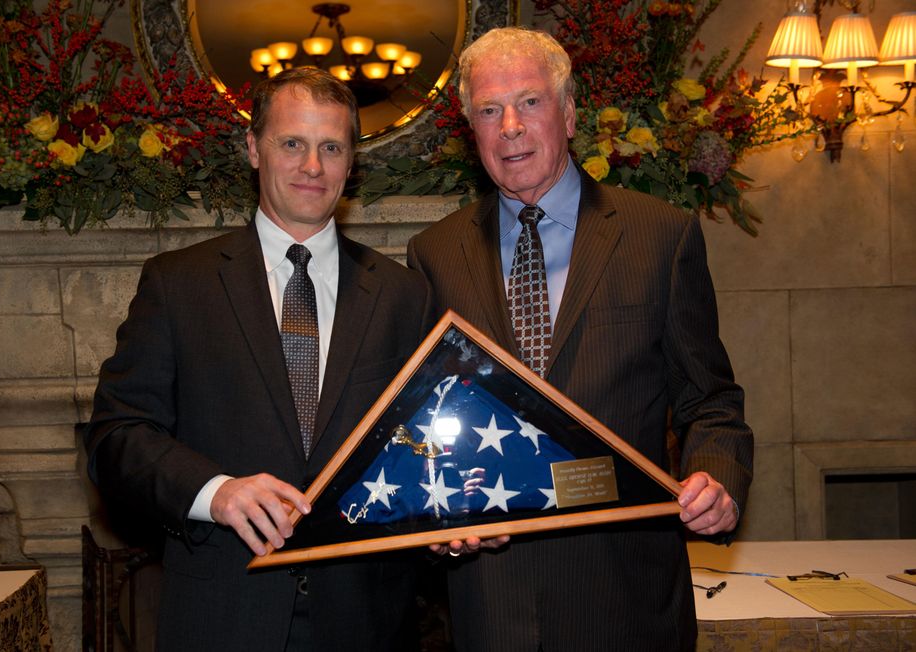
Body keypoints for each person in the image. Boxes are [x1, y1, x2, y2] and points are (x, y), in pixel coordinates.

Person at [406, 27, 754, 651]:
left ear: (568, 114)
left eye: (530, 102)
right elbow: (425, 419)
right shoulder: (434, 255)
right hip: (493, 604)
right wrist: (432, 506)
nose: (510, 125)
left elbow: (712, 403)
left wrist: (717, 477)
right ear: (472, 130)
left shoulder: (659, 236)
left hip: (625, 599)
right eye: (489, 110)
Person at [85, 68, 430, 652]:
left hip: (367, 619)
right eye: (292, 143)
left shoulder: (403, 295)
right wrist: (215, 491)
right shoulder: (179, 285)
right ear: (253, 148)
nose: (312, 167)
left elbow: (422, 446)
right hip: (222, 613)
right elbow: (116, 437)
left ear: (351, 164)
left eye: (331, 148)